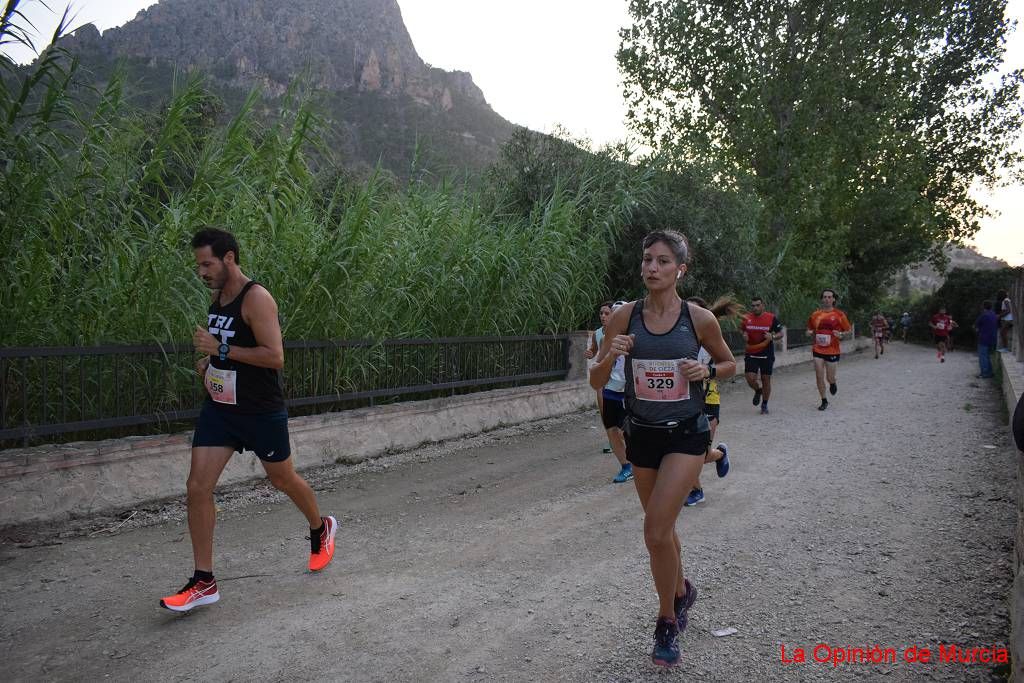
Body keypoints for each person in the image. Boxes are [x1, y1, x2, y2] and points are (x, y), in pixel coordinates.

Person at [161, 228, 337, 613]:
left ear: (228, 258)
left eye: (207, 263)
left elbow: (274, 356)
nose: (202, 272)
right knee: (197, 487)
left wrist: (221, 347)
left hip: (260, 410)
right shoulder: (217, 298)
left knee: (282, 478)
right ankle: (203, 580)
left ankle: (320, 527)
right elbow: (229, 349)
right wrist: (211, 361)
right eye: (198, 265)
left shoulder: (257, 298)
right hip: (221, 409)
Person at [590, 230, 736, 667]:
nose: (652, 268)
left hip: (687, 434)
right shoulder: (624, 317)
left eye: (662, 262)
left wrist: (705, 370)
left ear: (680, 270)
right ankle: (681, 588)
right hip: (644, 435)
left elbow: (729, 364)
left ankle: (668, 620)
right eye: (647, 260)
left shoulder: (698, 320)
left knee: (654, 530)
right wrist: (609, 357)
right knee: (664, 528)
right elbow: (596, 381)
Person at [683, 296, 735, 507]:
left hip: (708, 399)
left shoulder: (711, 340)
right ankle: (696, 491)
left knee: (701, 455)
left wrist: (707, 371)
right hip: (684, 402)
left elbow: (729, 366)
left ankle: (720, 454)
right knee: (685, 452)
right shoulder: (677, 339)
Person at [591, 301, 634, 483]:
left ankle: (642, 463)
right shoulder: (605, 339)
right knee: (611, 429)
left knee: (630, 430)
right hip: (611, 389)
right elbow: (598, 364)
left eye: (618, 314)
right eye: (613, 315)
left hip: (629, 392)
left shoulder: (635, 339)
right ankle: (626, 466)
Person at [806, 289, 852, 411]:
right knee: (819, 376)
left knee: (829, 377)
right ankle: (824, 400)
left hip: (832, 350)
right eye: (825, 297)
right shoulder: (815, 315)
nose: (827, 299)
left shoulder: (839, 314)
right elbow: (809, 329)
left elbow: (848, 330)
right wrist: (809, 332)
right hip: (817, 349)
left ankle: (832, 382)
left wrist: (841, 334)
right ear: (822, 299)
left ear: (833, 299)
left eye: (829, 297)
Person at [739, 296, 784, 415]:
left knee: (766, 379)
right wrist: (744, 335)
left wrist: (773, 337)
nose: (755, 308)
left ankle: (764, 404)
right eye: (753, 306)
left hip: (766, 354)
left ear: (763, 305)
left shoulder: (771, 318)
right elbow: (742, 329)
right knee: (750, 378)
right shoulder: (746, 318)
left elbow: (781, 333)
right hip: (751, 352)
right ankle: (758, 390)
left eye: (758, 305)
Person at [585, 302, 616, 455]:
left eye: (607, 313)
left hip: (618, 377)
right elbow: (594, 349)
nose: (603, 316)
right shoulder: (598, 333)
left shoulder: (619, 332)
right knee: (604, 409)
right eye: (601, 313)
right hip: (603, 376)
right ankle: (611, 439)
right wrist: (590, 352)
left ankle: (623, 437)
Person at [975, 301, 999, 379]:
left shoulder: (984, 315)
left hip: (984, 338)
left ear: (983, 306)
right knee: (987, 356)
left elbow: (976, 325)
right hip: (993, 338)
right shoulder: (994, 314)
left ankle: (984, 373)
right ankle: (990, 372)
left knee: (983, 356)